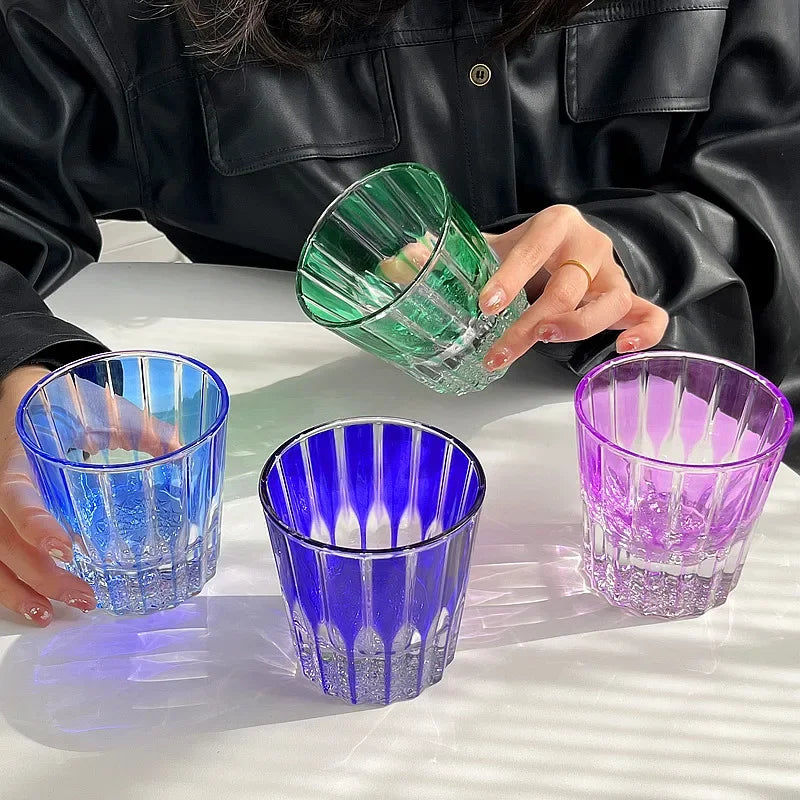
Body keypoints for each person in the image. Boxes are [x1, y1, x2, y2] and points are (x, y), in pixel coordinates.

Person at [0, 0, 797, 625]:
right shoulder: (130, 18)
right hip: (284, 548)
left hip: (650, 519)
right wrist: (14, 363)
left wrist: (627, 257)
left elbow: (774, 197)